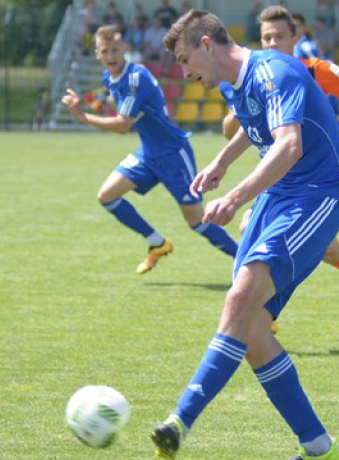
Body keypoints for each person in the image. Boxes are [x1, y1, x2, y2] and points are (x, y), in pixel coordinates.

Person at [150, 9, 339, 460]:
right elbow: (250, 124)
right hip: (278, 198)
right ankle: (319, 447)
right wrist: (221, 161)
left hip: (314, 196)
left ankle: (178, 423)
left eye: (185, 59)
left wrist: (237, 197)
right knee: (254, 328)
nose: (185, 73)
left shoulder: (276, 70)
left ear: (206, 44)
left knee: (239, 302)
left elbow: (288, 145)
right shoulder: (231, 82)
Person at [229, 5, 339, 330]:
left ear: (296, 38)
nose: (271, 44)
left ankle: (261, 312)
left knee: (252, 229)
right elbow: (238, 129)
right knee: (329, 251)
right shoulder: (254, 79)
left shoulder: (314, 70)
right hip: (280, 183)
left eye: (279, 36)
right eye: (266, 38)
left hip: (313, 184)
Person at [60, 25, 238, 275]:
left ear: (125, 49)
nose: (111, 56)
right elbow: (113, 97)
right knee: (107, 196)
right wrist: (96, 102)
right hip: (148, 153)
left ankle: (243, 259)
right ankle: (157, 243)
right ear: (97, 54)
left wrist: (83, 116)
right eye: (105, 51)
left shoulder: (136, 78)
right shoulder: (109, 77)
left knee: (197, 222)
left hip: (173, 154)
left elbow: (123, 125)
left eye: (115, 50)